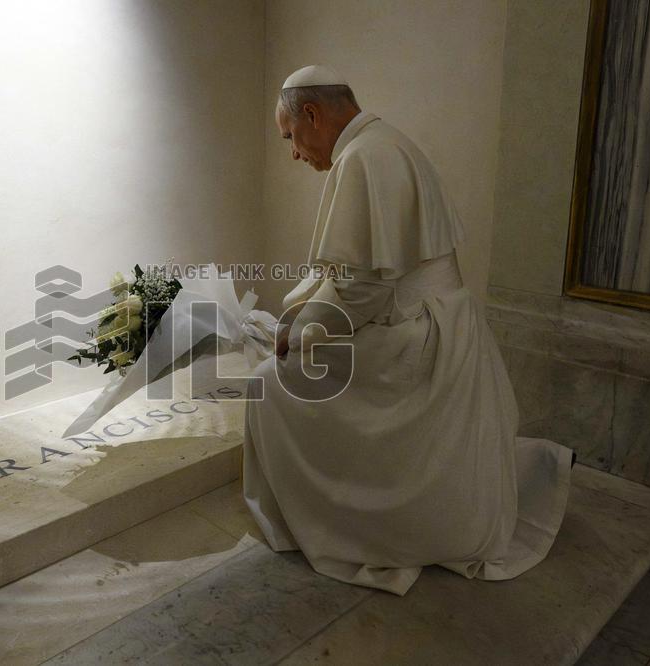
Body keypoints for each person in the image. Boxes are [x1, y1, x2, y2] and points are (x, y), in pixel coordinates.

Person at [242, 64, 574, 595]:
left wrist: (299, 333)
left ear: (312, 114)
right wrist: (302, 312)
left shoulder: (363, 158)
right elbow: (367, 275)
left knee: (270, 386)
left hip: (412, 337)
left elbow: (363, 290)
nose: (295, 153)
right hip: (442, 326)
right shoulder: (387, 142)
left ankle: (343, 525)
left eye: (291, 138)